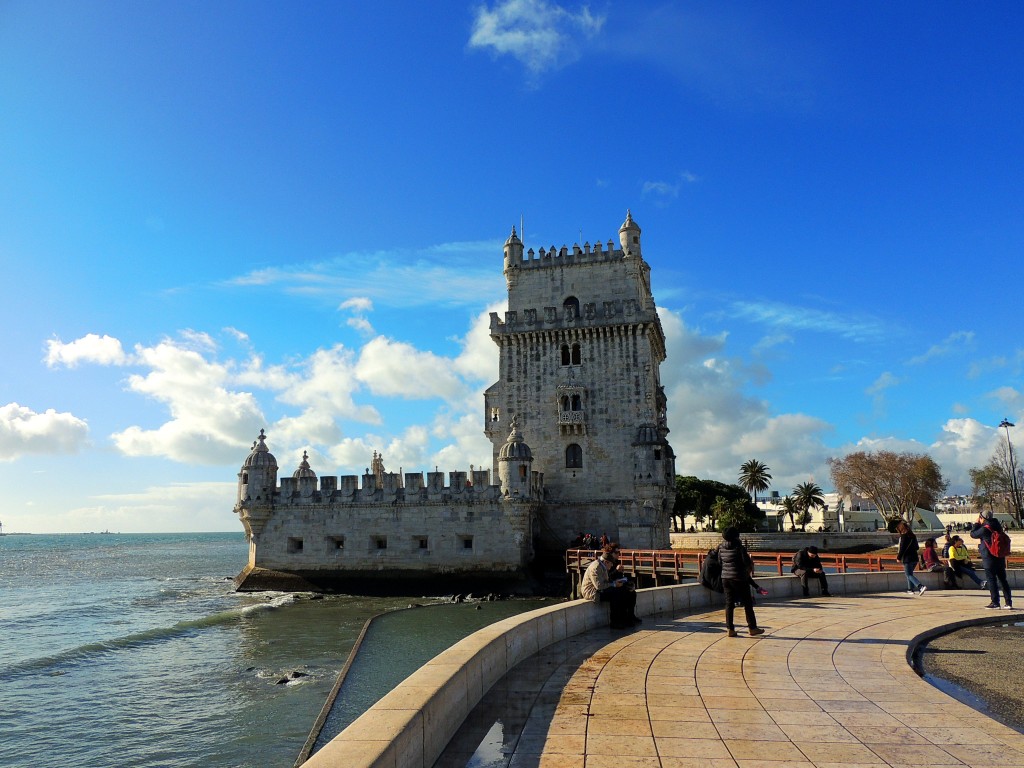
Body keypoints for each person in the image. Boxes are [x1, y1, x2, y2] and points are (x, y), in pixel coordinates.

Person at [718, 527, 765, 637]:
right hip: (739, 578)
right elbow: (746, 562)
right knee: (748, 603)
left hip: (725, 578)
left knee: (729, 604)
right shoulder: (739, 547)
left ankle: (730, 629)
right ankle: (752, 628)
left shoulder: (720, 547)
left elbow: (720, 562)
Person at [580, 544, 640, 628]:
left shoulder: (603, 565)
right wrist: (614, 584)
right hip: (592, 592)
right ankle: (615, 622)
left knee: (626, 591)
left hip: (600, 589)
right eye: (611, 564)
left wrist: (618, 582)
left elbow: (606, 582)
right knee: (616, 594)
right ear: (606, 562)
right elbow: (599, 586)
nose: (612, 565)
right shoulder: (596, 567)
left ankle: (627, 618)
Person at [971, 511, 1013, 609]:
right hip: (1000, 557)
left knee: (991, 580)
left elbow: (973, 534)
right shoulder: (998, 527)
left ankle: (995, 602)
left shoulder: (985, 529)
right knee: (1003, 580)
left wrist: (976, 524)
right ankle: (1008, 603)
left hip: (989, 558)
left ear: (983, 518)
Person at [896, 520, 927, 596]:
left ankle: (920, 586)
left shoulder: (903, 536)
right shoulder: (913, 536)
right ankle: (910, 589)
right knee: (910, 574)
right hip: (915, 558)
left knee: (908, 575)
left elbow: (902, 548)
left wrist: (898, 557)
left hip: (907, 559)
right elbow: (917, 547)